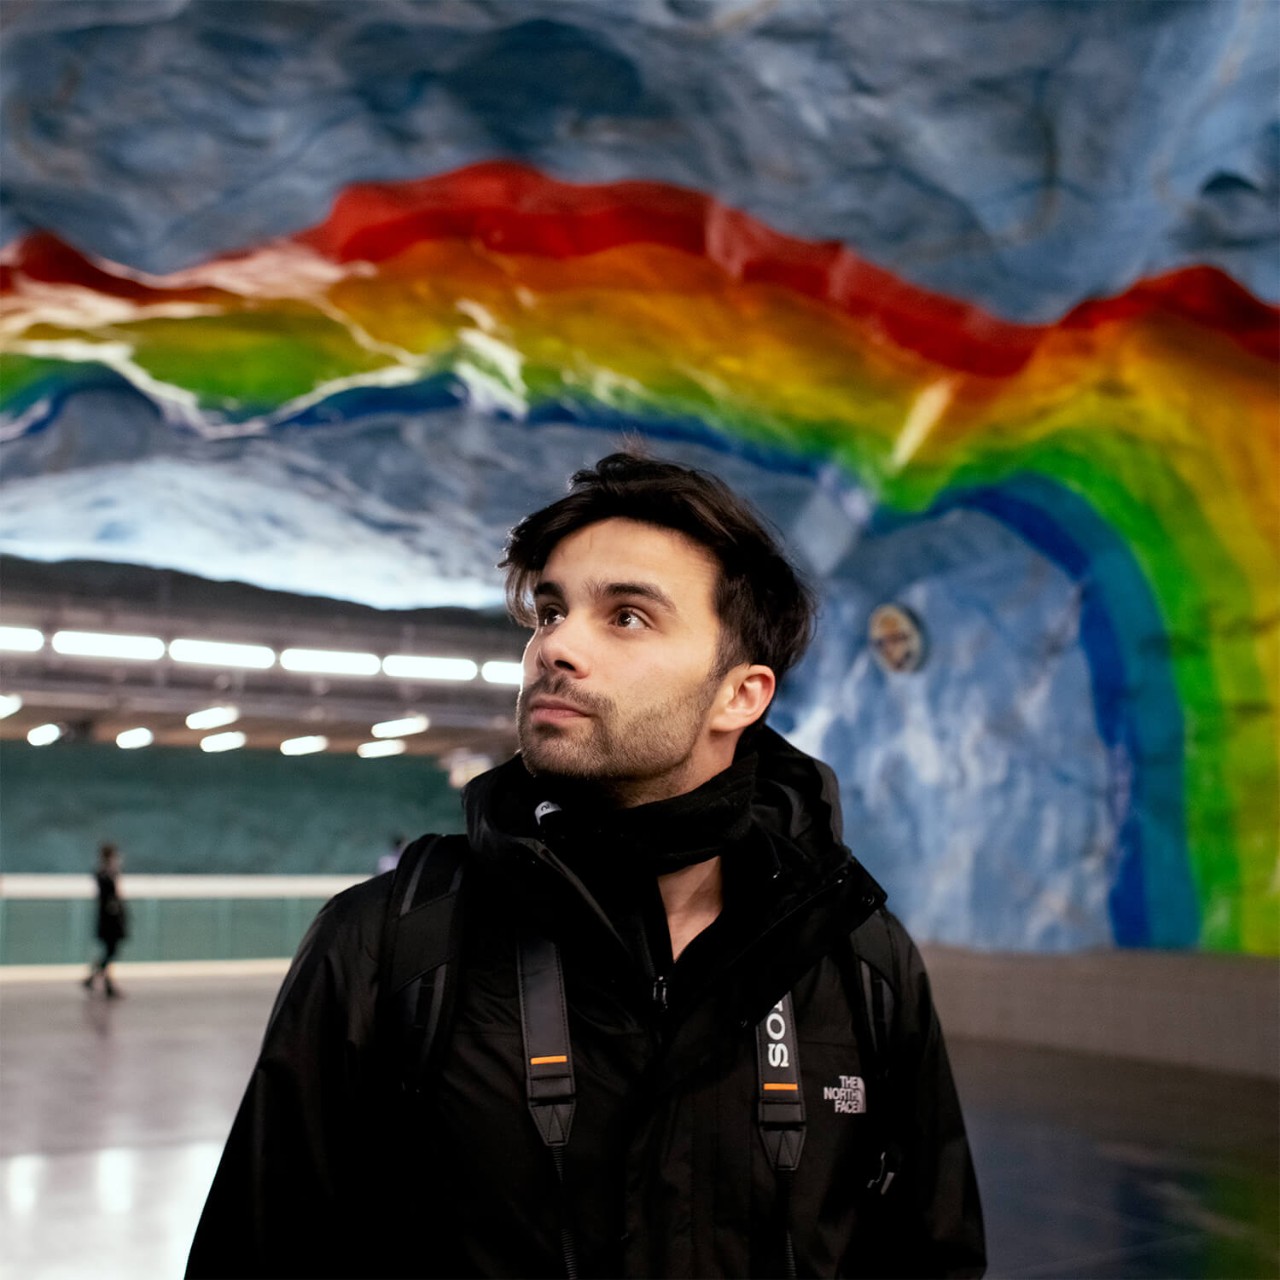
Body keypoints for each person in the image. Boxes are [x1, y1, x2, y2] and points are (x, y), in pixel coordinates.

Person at [188, 452, 985, 1279]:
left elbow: (934, 1254)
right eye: (549, 611)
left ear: (740, 696)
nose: (555, 646)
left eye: (628, 616)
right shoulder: (387, 944)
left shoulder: (858, 956)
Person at [84, 841, 127, 998]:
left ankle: (97, 979)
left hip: (110, 919)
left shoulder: (108, 874)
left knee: (110, 952)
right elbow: (109, 899)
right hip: (110, 920)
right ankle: (100, 981)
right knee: (110, 951)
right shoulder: (104, 875)